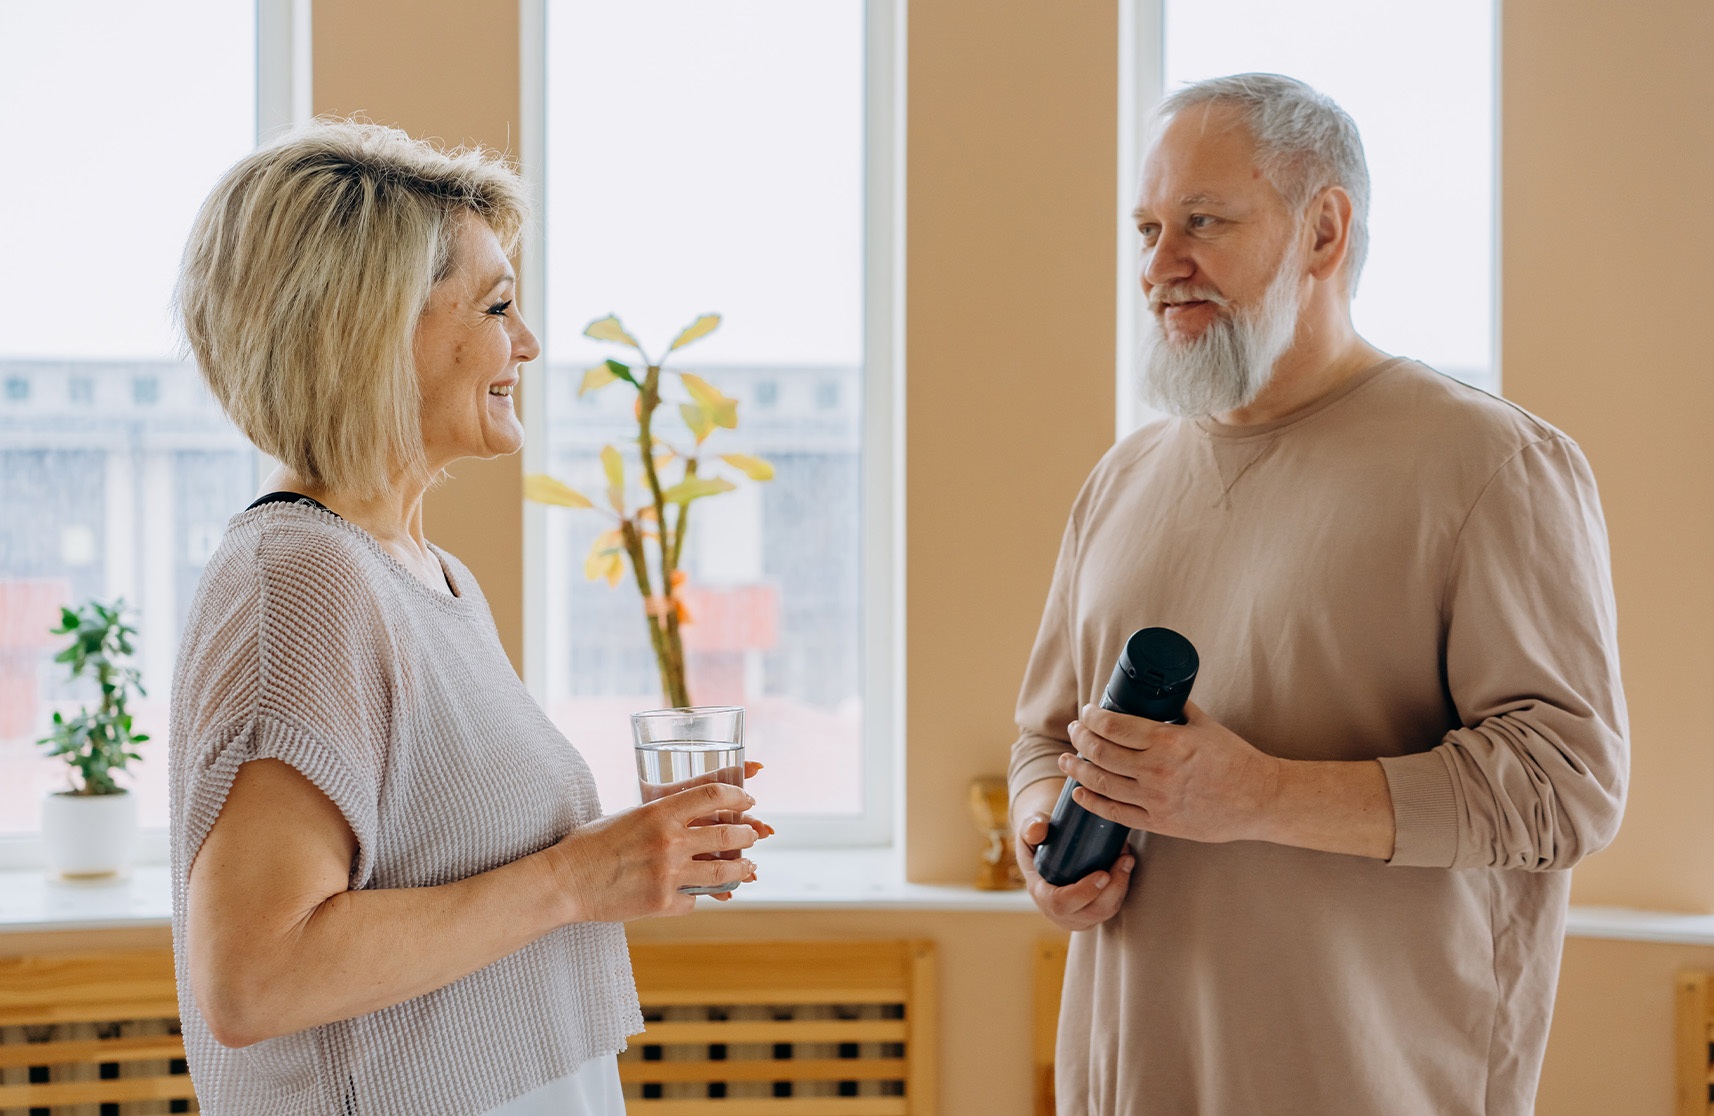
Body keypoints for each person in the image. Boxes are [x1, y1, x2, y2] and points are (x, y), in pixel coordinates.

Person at [1008, 74, 1626, 1116]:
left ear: (1323, 230)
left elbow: (1565, 786)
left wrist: (1255, 795)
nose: (1160, 266)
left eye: (1202, 221)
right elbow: (1042, 741)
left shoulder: (1489, 464)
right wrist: (1044, 838)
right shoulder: (1124, 477)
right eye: (1148, 227)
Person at [169, 121, 769, 1116]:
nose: (526, 344)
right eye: (496, 307)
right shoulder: (299, 581)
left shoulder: (422, 575)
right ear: (371, 331)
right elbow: (253, 977)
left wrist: (620, 861)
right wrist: (580, 879)